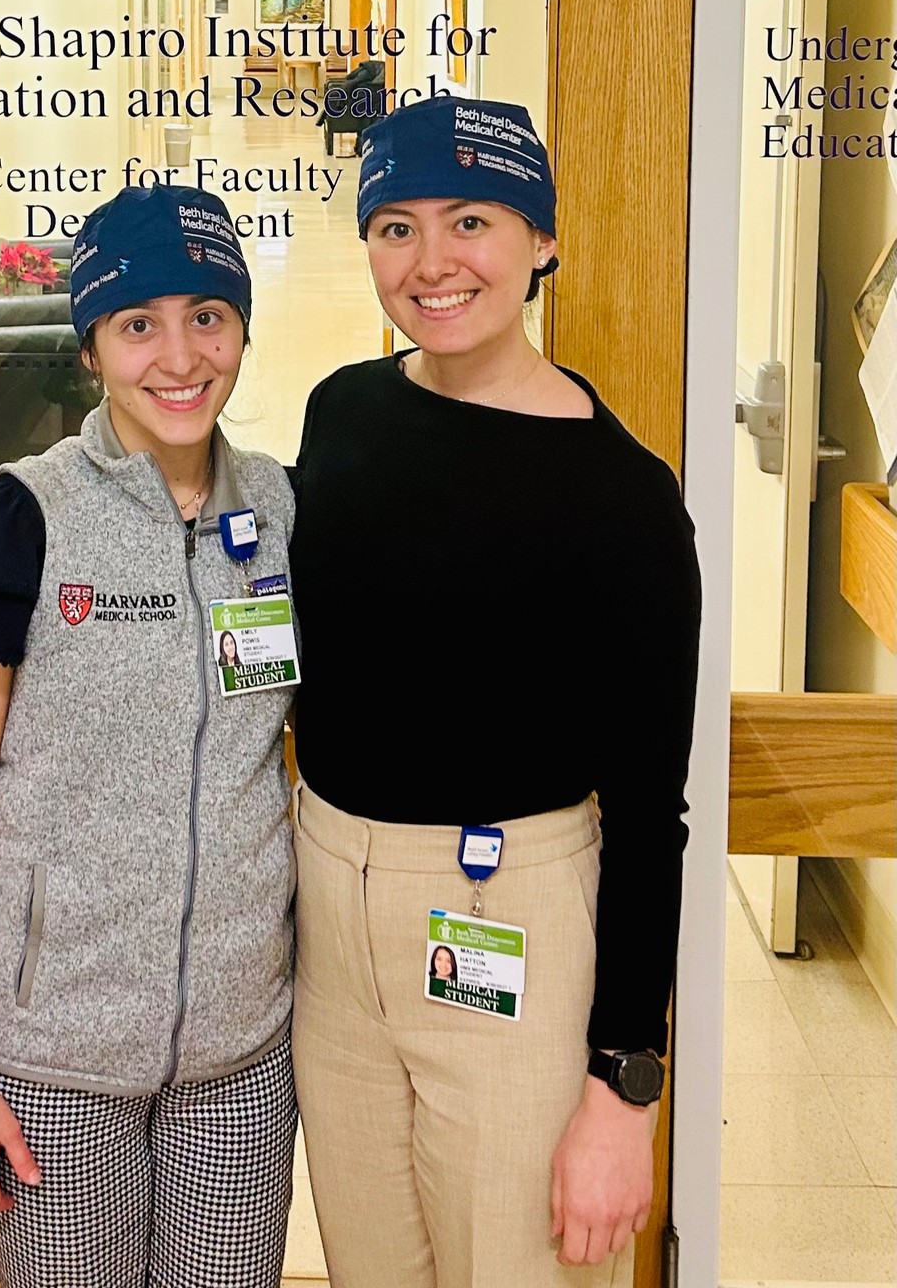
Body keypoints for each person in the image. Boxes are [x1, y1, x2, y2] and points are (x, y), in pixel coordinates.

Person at [287, 96, 702, 1287]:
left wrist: (624, 1090)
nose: (432, 263)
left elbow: (650, 813)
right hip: (333, 923)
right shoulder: (344, 412)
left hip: (507, 910)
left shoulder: (619, 497)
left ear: (542, 241)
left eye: (471, 220)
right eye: (396, 227)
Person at [0, 184, 300, 1288]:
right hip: (52, 1066)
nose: (179, 356)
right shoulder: (13, 527)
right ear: (90, 349)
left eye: (208, 316)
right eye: (138, 324)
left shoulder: (289, 516)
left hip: (243, 1061)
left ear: (245, 330)